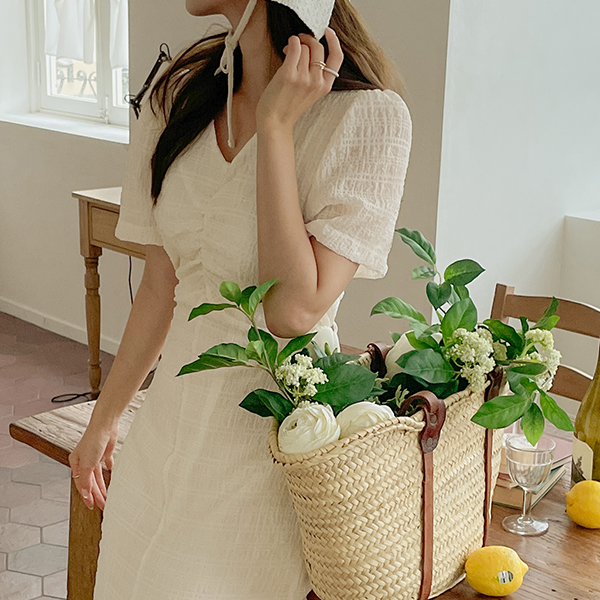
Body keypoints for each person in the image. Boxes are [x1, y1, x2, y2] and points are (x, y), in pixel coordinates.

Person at [68, 0, 412, 598]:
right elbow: (161, 286)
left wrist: (276, 127)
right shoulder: (178, 96)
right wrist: (106, 419)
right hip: (165, 430)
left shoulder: (366, 118)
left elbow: (292, 311)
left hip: (267, 447)